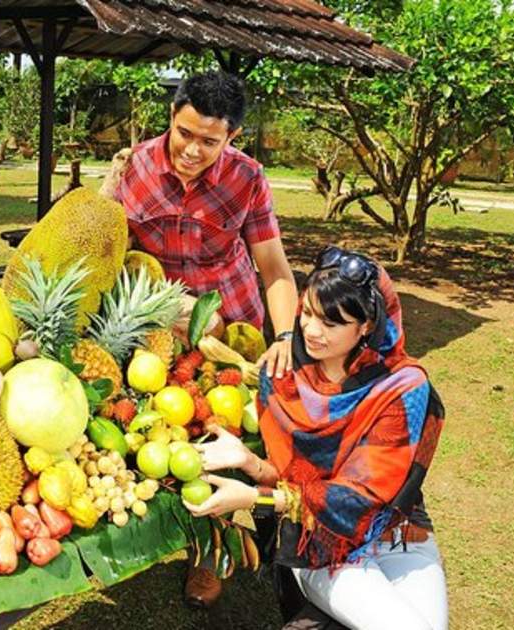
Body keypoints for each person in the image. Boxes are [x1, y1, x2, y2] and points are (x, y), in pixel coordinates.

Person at [184, 245, 448, 630]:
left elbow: (357, 500)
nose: (310, 330)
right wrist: (249, 461)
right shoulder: (282, 379)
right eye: (306, 312)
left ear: (366, 327)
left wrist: (254, 497)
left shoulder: (402, 388)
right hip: (320, 546)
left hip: (396, 535)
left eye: (330, 322)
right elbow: (292, 478)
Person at [112, 71, 297, 378]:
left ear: (232, 135)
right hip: (162, 334)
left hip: (237, 332)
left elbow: (274, 268)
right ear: (172, 115)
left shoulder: (247, 177)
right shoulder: (132, 168)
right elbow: (112, 251)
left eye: (209, 142)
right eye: (184, 133)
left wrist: (286, 337)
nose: (192, 151)